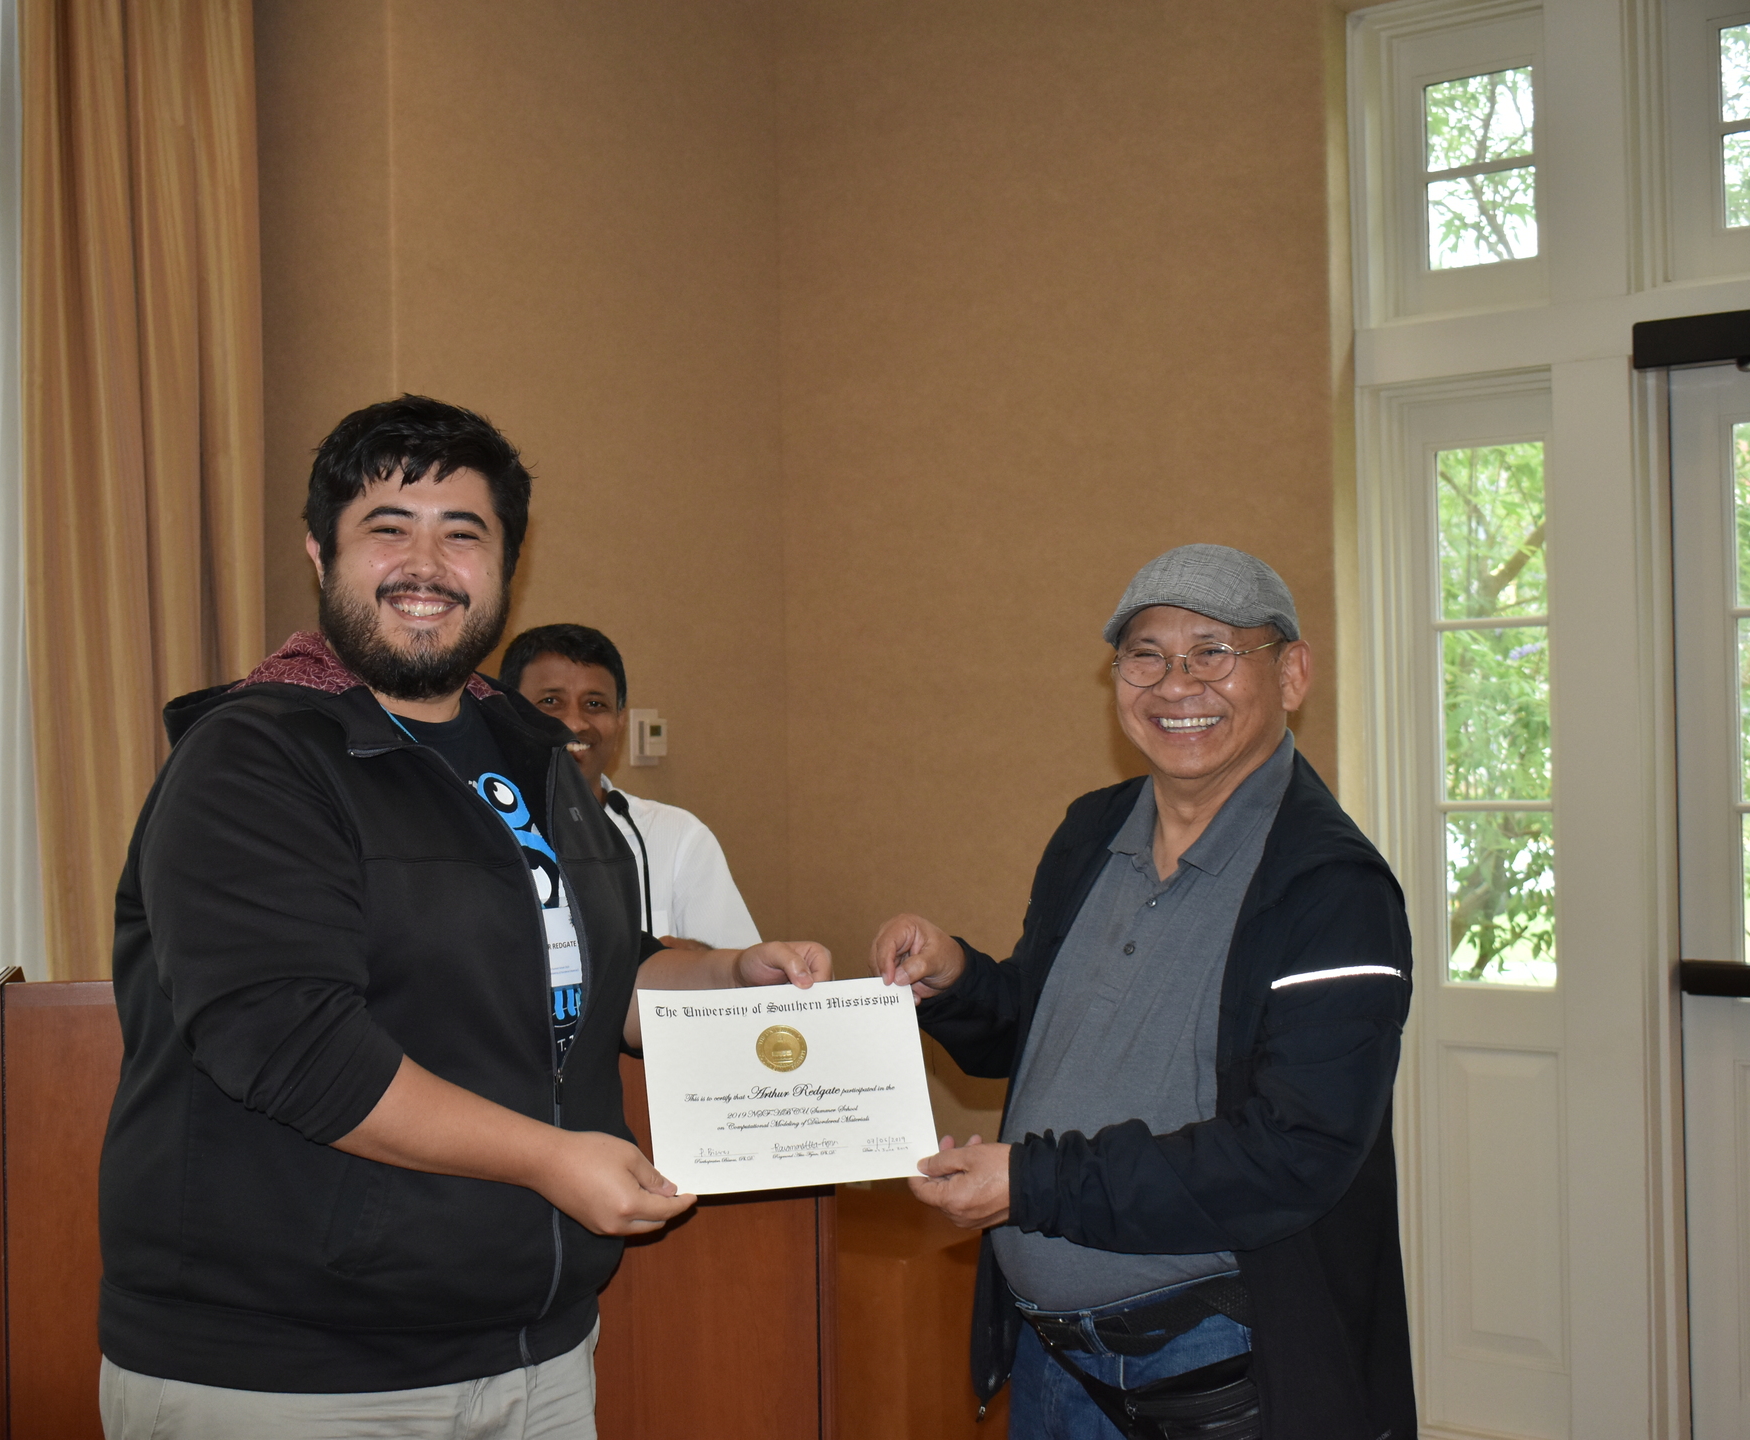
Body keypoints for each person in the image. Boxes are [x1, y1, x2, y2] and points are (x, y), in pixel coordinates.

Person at [97, 395, 831, 1440]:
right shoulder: (253, 760)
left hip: (535, 1356)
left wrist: (724, 976)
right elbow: (294, 1048)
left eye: (463, 533)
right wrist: (550, 1157)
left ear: (506, 565)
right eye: (388, 527)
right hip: (295, 1377)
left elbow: (591, 968)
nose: (425, 564)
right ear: (320, 552)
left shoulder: (532, 756)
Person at [871, 544, 1415, 1440]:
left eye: (1213, 652)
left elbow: (1295, 1152)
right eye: (1146, 656)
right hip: (1051, 1361)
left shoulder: (1334, 890)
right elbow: (1045, 1034)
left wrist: (1031, 1184)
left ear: (1291, 674)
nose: (1176, 684)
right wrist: (957, 979)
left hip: (1216, 1370)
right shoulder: (1093, 830)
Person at [501, 623, 762, 951]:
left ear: (620, 720)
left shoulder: (678, 837)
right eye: (550, 701)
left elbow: (740, 970)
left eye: (595, 704)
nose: (575, 723)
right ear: (507, 713)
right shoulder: (477, 833)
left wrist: (702, 963)